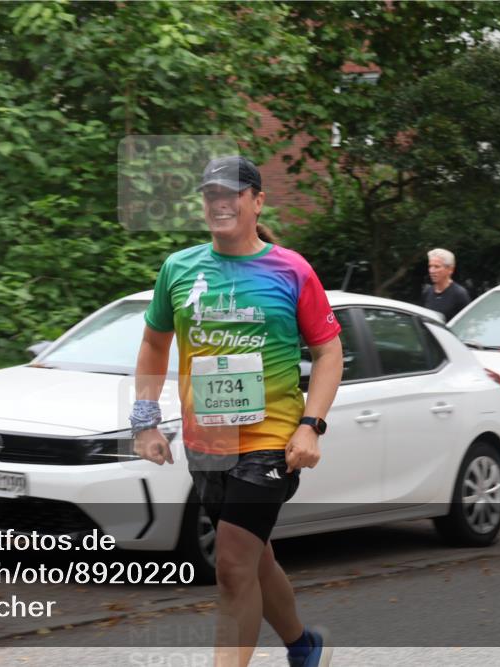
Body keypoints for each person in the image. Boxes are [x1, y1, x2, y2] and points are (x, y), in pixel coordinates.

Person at [131, 155, 343, 667]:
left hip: (270, 441)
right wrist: (145, 420)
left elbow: (328, 351)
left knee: (230, 566)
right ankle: (303, 646)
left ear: (257, 201)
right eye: (211, 195)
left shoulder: (291, 270)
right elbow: (155, 344)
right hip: (207, 443)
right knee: (253, 559)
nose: (220, 203)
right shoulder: (178, 268)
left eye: (232, 193)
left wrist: (311, 426)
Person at [421, 248, 471, 321]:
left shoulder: (459, 294)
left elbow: (466, 322)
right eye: (430, 266)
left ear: (450, 269)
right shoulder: (427, 292)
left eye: (437, 267)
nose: (432, 271)